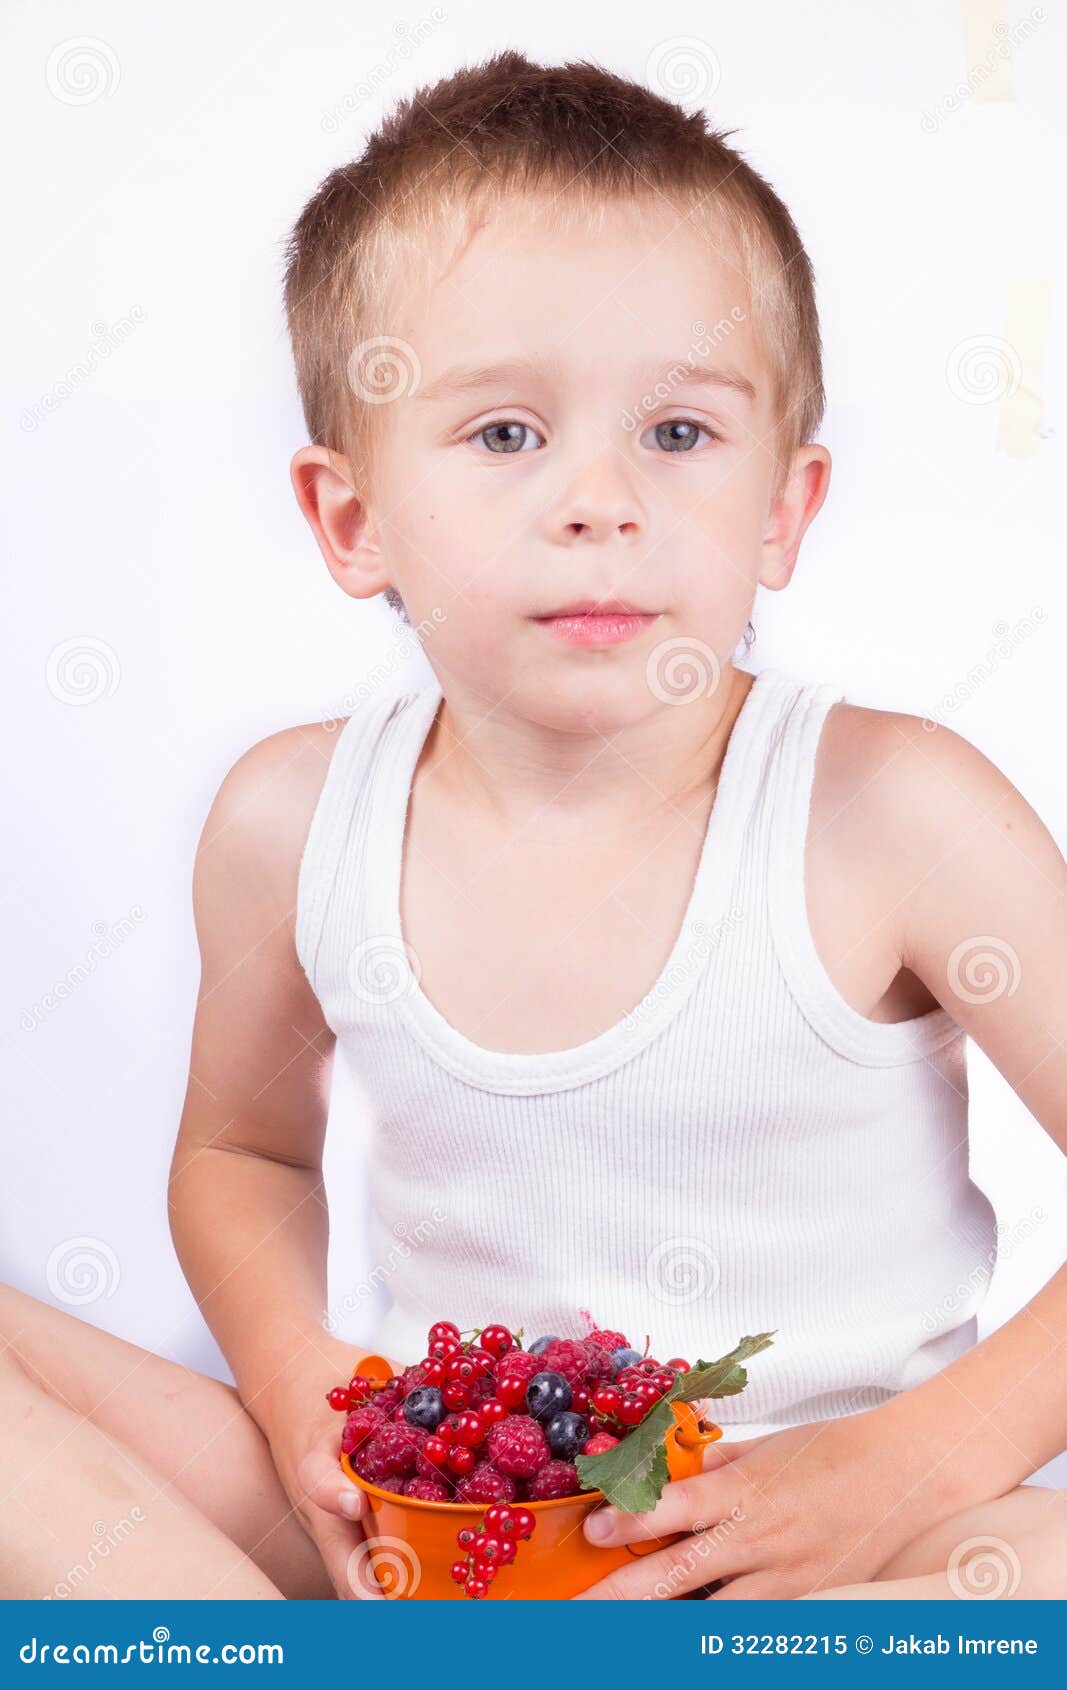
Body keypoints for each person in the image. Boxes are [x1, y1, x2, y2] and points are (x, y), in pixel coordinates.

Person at [3, 51, 1064, 1602]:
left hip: (814, 1558)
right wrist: (304, 1383)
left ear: (786, 505)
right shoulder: (290, 819)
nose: (597, 500)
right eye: (506, 434)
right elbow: (240, 1151)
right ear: (351, 520)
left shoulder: (890, 809)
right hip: (438, 1537)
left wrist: (905, 1464)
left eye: (680, 435)